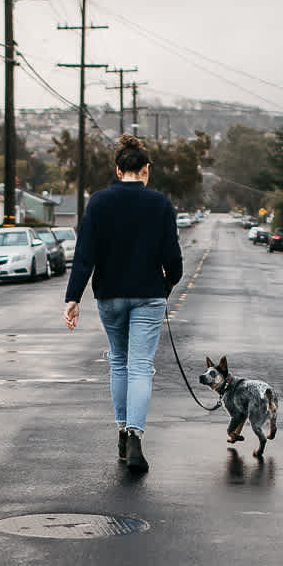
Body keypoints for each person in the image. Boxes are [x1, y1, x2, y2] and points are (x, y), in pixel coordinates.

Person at [63, 135, 183, 473]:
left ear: (118, 170)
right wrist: (169, 281)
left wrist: (73, 298)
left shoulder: (98, 203)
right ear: (146, 170)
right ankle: (134, 440)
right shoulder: (160, 203)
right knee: (141, 366)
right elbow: (172, 255)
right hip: (148, 294)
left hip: (110, 294)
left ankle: (121, 431)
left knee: (119, 362)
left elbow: (85, 254)